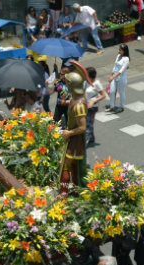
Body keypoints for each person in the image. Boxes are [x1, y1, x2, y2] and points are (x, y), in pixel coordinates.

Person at [59, 62, 87, 193]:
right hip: (73, 138)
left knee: (65, 166)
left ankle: (63, 193)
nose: (66, 84)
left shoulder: (79, 104)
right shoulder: (76, 98)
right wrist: (66, 102)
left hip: (75, 139)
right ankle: (76, 190)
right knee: (73, 166)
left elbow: (82, 127)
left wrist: (69, 133)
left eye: (67, 82)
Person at [84, 67, 105, 147]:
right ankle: (91, 138)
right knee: (89, 123)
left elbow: (103, 95)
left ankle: (85, 143)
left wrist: (93, 101)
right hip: (85, 106)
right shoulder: (86, 82)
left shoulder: (97, 84)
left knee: (87, 125)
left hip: (92, 107)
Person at [106, 44, 130, 114]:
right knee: (112, 91)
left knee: (121, 92)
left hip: (121, 79)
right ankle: (112, 106)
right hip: (114, 77)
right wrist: (111, 75)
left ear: (124, 51)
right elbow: (115, 67)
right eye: (119, 49)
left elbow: (121, 71)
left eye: (120, 50)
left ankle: (122, 107)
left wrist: (112, 77)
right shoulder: (118, 56)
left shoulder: (126, 59)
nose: (118, 51)